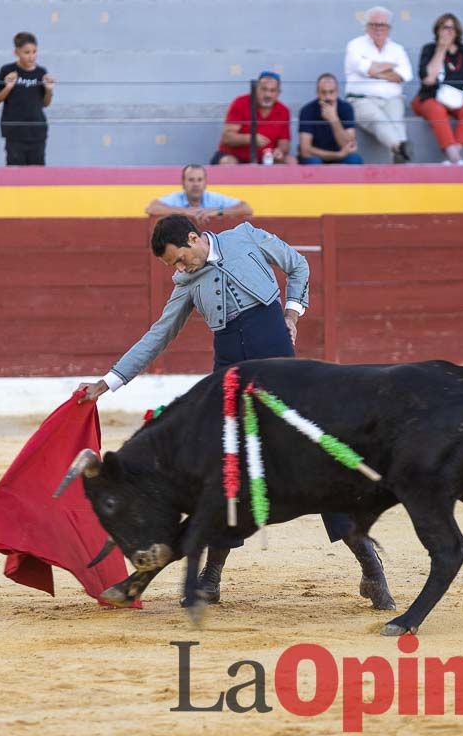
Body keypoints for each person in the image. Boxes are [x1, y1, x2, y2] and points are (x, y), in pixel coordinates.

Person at [75, 215, 385, 608]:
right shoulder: (186, 285)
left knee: (315, 459)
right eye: (172, 266)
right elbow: (158, 335)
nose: (179, 269)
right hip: (231, 380)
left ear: (193, 238)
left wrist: (291, 313)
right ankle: (211, 577)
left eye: (179, 260)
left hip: (278, 373)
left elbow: (297, 264)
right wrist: (108, 382)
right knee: (226, 470)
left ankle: (371, 569)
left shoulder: (246, 237)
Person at [411, 13, 463, 166]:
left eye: (452, 28)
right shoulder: (429, 49)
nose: (448, 32)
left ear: (457, 31)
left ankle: (455, 154)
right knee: (436, 110)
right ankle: (454, 157)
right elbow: (428, 79)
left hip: (458, 99)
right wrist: (441, 49)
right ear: (438, 30)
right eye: (445, 28)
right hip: (430, 97)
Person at [344, 6, 414, 163]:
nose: (378, 29)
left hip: (392, 99)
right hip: (362, 99)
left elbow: (406, 74)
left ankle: (400, 158)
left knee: (398, 125)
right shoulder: (355, 45)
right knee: (379, 119)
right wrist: (390, 68)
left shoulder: (397, 49)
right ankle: (399, 147)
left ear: (389, 28)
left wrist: (376, 72)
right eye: (374, 25)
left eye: (382, 25)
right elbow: (366, 69)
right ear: (367, 27)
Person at [0, 32, 54, 166]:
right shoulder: (7, 70)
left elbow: (45, 103)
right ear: (16, 52)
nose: (31, 56)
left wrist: (49, 89)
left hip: (37, 131)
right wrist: (8, 87)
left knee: (37, 176)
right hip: (14, 132)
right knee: (15, 175)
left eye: (34, 52)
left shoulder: (41, 72)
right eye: (27, 52)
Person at [212, 71, 293, 165]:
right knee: (228, 162)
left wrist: (280, 151)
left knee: (291, 161)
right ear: (255, 89)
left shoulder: (284, 110)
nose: (268, 95)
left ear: (278, 93)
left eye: (272, 90)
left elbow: (284, 142)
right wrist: (251, 139)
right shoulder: (240, 103)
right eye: (264, 89)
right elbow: (227, 138)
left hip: (266, 158)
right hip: (234, 156)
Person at [145, 164, 254, 222]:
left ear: (205, 183)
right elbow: (152, 208)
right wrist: (186, 212)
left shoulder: (214, 198)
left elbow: (246, 208)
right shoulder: (176, 198)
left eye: (199, 180)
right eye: (191, 180)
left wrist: (216, 212)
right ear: (183, 183)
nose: (196, 184)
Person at [297, 73, 363, 164]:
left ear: (337, 92)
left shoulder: (346, 108)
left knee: (354, 160)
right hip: (317, 156)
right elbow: (305, 150)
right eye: (323, 92)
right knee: (313, 162)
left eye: (331, 92)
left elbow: (348, 145)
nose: (327, 97)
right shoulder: (307, 110)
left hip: (341, 156)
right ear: (317, 93)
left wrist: (334, 119)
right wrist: (337, 155)